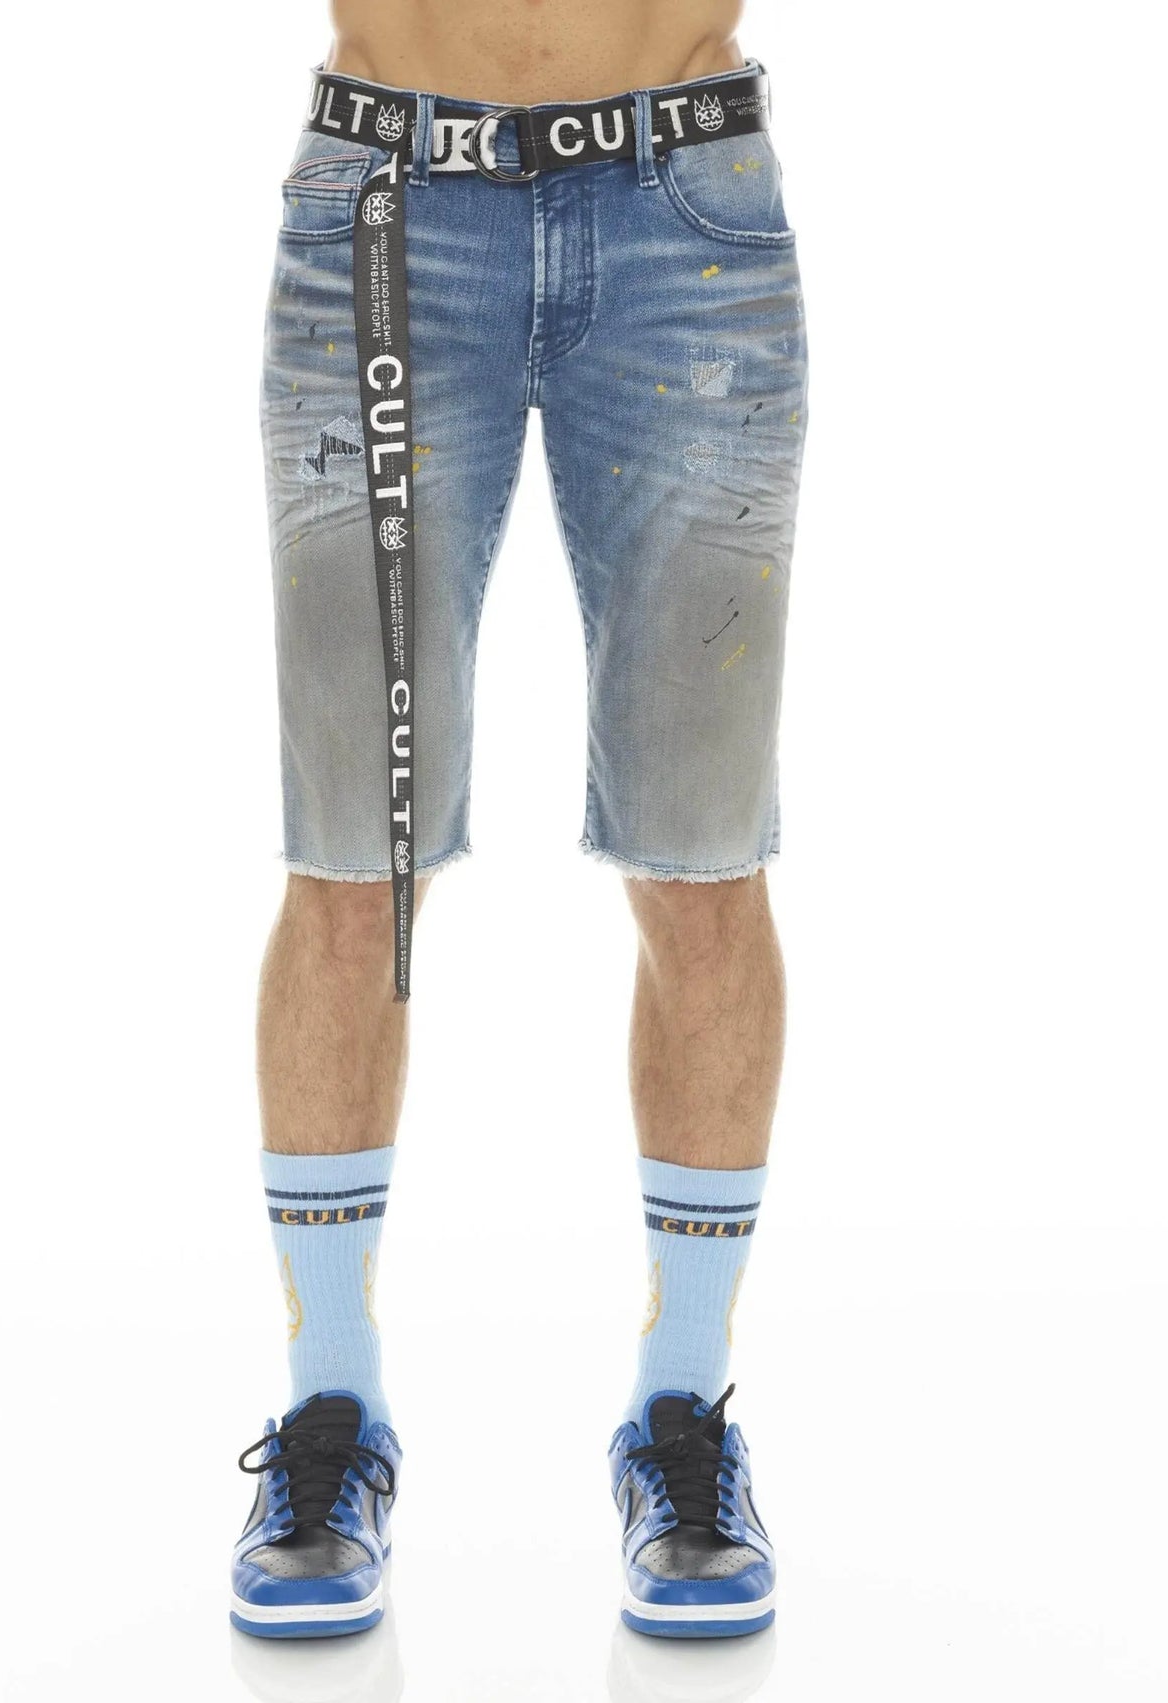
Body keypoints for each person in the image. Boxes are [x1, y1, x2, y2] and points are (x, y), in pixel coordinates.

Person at [230, 0, 807, 1643]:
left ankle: (681, 1416)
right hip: (386, 206)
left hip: (687, 207)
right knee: (353, 853)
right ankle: (331, 1418)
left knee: (701, 855)